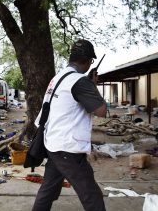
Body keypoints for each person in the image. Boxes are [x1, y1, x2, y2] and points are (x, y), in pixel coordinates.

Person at [32, 39, 107, 211]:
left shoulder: (59, 77)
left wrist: (88, 84)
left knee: (48, 190)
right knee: (91, 194)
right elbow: (101, 111)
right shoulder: (80, 81)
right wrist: (93, 85)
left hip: (52, 143)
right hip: (68, 148)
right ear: (88, 61)